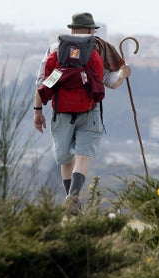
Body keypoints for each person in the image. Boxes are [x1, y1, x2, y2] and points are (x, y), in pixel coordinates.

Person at [33, 12, 131, 215]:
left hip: (60, 111)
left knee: (65, 158)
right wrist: (123, 73)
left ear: (72, 29)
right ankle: (73, 197)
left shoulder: (55, 48)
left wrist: (38, 111)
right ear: (89, 30)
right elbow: (111, 83)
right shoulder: (95, 49)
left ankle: (72, 204)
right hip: (89, 110)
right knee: (83, 154)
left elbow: (42, 81)